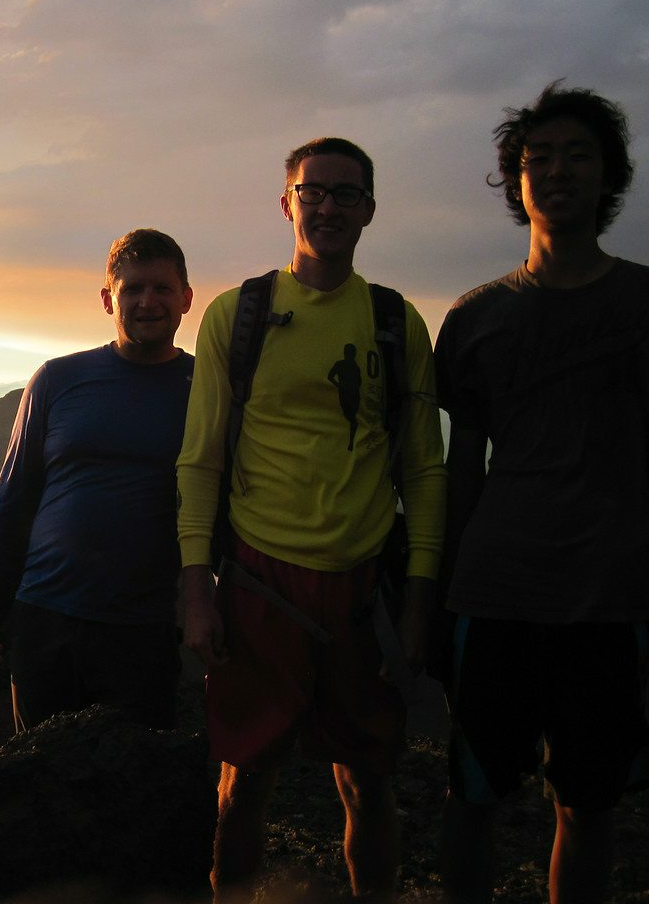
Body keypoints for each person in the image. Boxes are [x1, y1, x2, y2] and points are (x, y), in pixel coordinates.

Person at [434, 83, 649, 904]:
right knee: (472, 798)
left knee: (588, 805)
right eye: (536, 158)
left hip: (610, 596)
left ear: (609, 176)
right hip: (495, 591)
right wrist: (436, 599)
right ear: (515, 182)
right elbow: (460, 470)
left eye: (577, 155)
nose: (555, 171)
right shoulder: (476, 319)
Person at [177, 138, 446, 903]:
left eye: (345, 194)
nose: (328, 205)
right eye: (312, 191)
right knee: (244, 784)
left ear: (368, 210)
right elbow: (199, 462)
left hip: (363, 591)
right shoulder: (240, 315)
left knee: (368, 783)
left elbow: (424, 470)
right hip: (260, 583)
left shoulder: (397, 323)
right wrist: (198, 591)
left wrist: (420, 600)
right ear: (287, 202)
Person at [0, 228, 195, 732]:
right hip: (44, 615)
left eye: (161, 288)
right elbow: (13, 498)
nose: (147, 302)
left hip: (144, 626)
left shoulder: (205, 392)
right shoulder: (58, 379)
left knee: (137, 776)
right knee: (39, 778)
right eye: (132, 289)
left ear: (186, 299)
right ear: (107, 299)